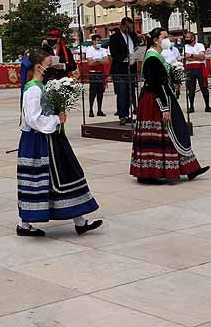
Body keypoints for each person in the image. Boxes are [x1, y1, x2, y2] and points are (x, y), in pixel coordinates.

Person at [16, 50, 102, 237]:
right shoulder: (33, 89)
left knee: (66, 175)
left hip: (51, 138)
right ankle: (24, 224)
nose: (51, 67)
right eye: (48, 64)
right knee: (40, 180)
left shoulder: (41, 86)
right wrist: (56, 119)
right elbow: (32, 119)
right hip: (40, 140)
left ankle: (80, 220)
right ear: (39, 67)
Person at [130, 28, 210, 184]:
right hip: (155, 100)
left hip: (162, 96)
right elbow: (155, 84)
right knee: (164, 134)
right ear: (156, 40)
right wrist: (164, 108)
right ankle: (151, 172)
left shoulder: (158, 56)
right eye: (165, 37)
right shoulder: (152, 57)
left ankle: (190, 168)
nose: (168, 40)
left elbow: (162, 78)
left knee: (175, 131)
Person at [109, 17, 140, 125]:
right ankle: (122, 115)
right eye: (127, 27)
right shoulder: (114, 37)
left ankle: (128, 114)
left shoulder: (133, 35)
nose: (129, 29)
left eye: (131, 27)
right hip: (120, 69)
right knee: (122, 92)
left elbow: (136, 47)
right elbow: (113, 53)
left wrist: (137, 53)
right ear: (122, 26)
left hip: (131, 68)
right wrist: (125, 57)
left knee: (130, 92)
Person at [183, 31, 211, 113]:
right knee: (191, 88)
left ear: (193, 38)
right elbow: (187, 58)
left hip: (200, 68)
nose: (186, 39)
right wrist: (197, 56)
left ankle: (207, 106)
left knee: (204, 87)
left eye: (188, 37)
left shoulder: (200, 45)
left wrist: (192, 55)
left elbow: (202, 57)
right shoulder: (185, 47)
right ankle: (191, 106)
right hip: (190, 68)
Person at [84, 34, 109, 117]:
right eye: (97, 41)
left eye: (100, 41)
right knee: (92, 92)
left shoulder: (103, 50)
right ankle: (91, 109)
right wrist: (100, 60)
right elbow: (90, 63)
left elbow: (106, 61)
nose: (99, 42)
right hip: (93, 73)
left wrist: (97, 60)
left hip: (100, 73)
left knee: (100, 92)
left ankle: (99, 110)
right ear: (93, 41)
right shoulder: (89, 50)